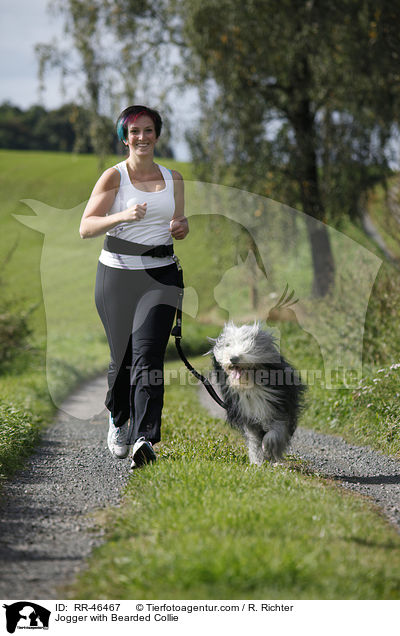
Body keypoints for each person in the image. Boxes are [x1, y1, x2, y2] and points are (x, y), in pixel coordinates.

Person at [79, 105, 189, 468]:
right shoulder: (114, 177)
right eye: (134, 132)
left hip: (160, 275)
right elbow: (87, 226)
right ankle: (119, 418)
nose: (141, 137)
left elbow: (178, 223)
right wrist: (122, 216)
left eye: (148, 130)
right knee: (122, 358)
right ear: (124, 138)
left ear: (157, 134)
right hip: (117, 275)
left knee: (149, 356)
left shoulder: (174, 178)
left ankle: (144, 437)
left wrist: (180, 227)